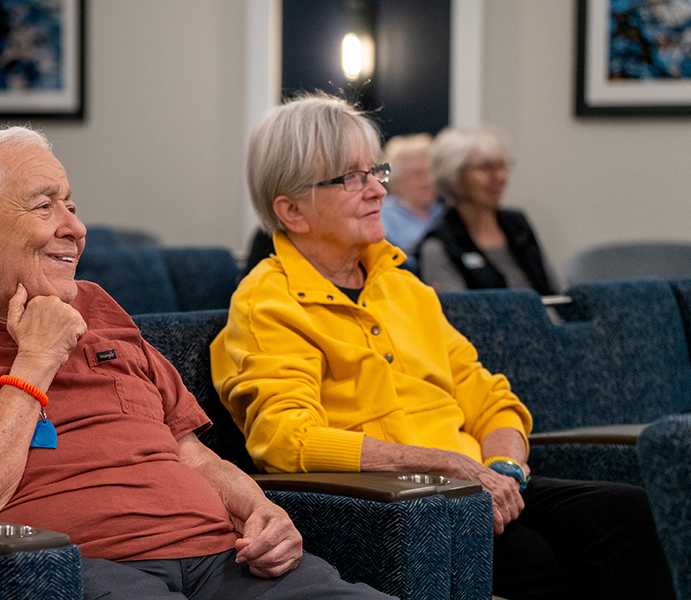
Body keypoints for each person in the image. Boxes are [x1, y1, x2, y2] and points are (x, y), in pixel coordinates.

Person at [0, 126, 392, 600]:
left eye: (71, 206)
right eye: (44, 206)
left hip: (227, 559)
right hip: (77, 568)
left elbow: (189, 453)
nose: (75, 228)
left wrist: (260, 511)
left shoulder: (97, 306)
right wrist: (35, 361)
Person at [210, 92, 675, 600]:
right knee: (543, 560)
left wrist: (503, 468)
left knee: (626, 514)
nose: (378, 191)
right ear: (292, 210)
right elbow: (284, 439)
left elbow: (490, 398)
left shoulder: (403, 287)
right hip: (399, 503)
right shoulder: (267, 301)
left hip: (477, 481)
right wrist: (443, 464)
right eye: (351, 178)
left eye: (376, 172)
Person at [416, 126, 560, 294]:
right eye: (485, 168)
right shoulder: (439, 245)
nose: (499, 177)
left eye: (502, 166)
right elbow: (459, 308)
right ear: (454, 175)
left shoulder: (518, 225)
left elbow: (555, 290)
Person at [378, 133, 440, 253]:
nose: (427, 181)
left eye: (430, 172)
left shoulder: (445, 212)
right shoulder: (381, 217)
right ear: (395, 181)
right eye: (417, 175)